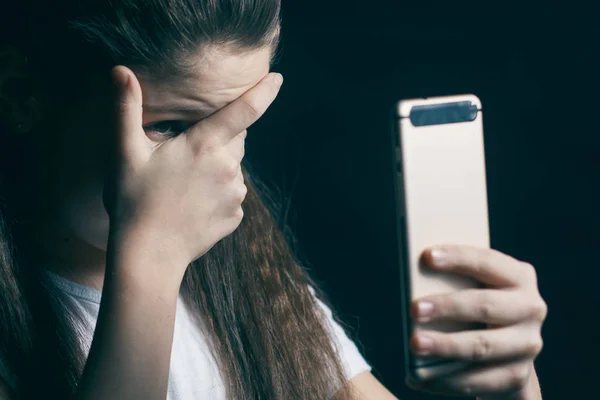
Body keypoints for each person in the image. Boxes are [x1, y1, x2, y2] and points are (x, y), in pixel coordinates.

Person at [0, 0, 547, 399]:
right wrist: (152, 256)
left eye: (239, 126)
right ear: (23, 94)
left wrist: (514, 383)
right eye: (170, 128)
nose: (221, 174)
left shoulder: (246, 274)